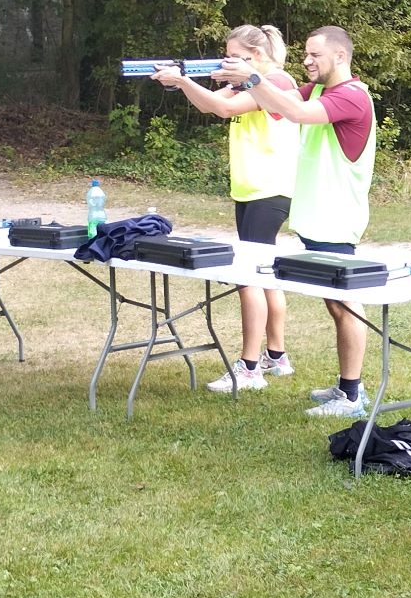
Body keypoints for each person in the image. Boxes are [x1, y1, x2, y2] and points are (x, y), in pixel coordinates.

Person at [214, 25, 377, 419]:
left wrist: (252, 78)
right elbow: (279, 105)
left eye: (315, 55)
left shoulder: (352, 96)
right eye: (305, 54)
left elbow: (296, 113)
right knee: (335, 304)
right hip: (318, 219)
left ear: (340, 56)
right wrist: (242, 82)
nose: (306, 61)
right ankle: (348, 386)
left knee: (346, 305)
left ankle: (351, 396)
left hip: (337, 217)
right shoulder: (318, 90)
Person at [151, 25, 300, 391]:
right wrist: (181, 82)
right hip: (251, 189)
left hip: (268, 189)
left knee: (248, 276)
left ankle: (249, 368)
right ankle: (276, 355)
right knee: (264, 272)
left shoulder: (275, 82)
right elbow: (209, 104)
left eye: (234, 56)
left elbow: (224, 107)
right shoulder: (250, 81)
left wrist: (182, 80)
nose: (227, 61)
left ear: (257, 55)